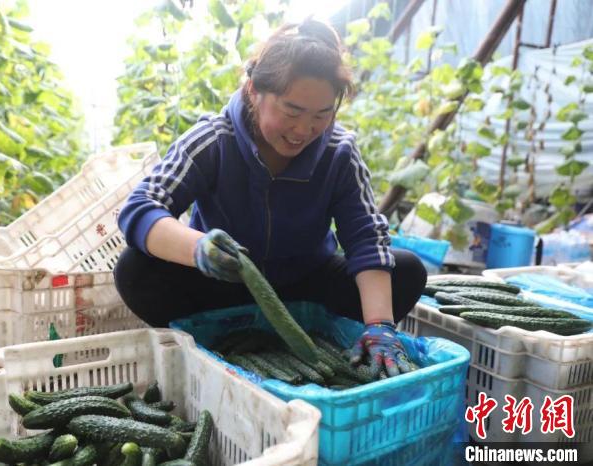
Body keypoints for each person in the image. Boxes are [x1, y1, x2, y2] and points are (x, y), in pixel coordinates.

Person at [114, 18, 427, 377]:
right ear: (253, 91)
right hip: (224, 286)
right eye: (292, 111)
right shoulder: (214, 141)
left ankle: (331, 339)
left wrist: (380, 325)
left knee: (405, 270)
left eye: (321, 115)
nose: (303, 130)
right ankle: (217, 339)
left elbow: (366, 238)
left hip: (306, 289)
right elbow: (141, 207)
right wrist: (199, 249)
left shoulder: (340, 153)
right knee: (136, 270)